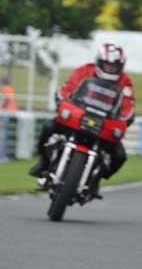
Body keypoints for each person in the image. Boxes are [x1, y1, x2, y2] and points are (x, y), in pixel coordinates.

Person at [28, 43, 135, 187]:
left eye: (114, 66)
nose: (111, 69)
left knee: (120, 156)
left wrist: (124, 119)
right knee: (47, 128)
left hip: (104, 125)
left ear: (121, 67)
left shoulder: (125, 83)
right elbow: (67, 89)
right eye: (108, 65)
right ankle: (44, 163)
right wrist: (62, 100)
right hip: (77, 117)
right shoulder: (84, 71)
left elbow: (128, 107)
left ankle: (96, 177)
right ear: (99, 62)